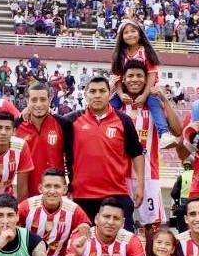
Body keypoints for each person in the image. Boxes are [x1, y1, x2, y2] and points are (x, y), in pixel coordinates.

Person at [110, 60, 183, 238]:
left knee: (153, 228)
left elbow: (178, 130)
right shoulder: (116, 106)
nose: (135, 80)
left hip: (149, 175)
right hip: (118, 175)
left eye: (139, 76)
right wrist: (113, 90)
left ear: (146, 80)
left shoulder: (153, 106)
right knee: (117, 225)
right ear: (124, 80)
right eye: (131, 76)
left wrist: (164, 98)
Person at [62, 77, 145, 231]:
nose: (97, 95)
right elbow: (47, 122)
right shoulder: (70, 121)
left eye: (102, 91)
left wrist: (140, 185)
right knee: (84, 247)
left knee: (121, 246)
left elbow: (137, 154)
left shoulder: (123, 120)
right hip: (82, 196)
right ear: (85, 95)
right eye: (92, 91)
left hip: (116, 194)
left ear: (110, 93)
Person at [109, 19, 175, 147]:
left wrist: (145, 95)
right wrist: (121, 94)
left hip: (147, 89)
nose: (130, 34)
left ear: (140, 34)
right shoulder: (119, 55)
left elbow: (151, 75)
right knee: (110, 105)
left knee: (154, 104)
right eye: (126, 32)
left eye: (133, 31)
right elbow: (117, 77)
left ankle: (164, 134)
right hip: (125, 89)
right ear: (121, 37)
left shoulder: (145, 52)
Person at [15, 83, 67, 197]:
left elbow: (72, 158)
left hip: (54, 192)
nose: (38, 104)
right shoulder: (16, 125)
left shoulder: (63, 124)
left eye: (43, 99)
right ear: (27, 101)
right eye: (34, 100)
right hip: (26, 193)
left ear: (50, 99)